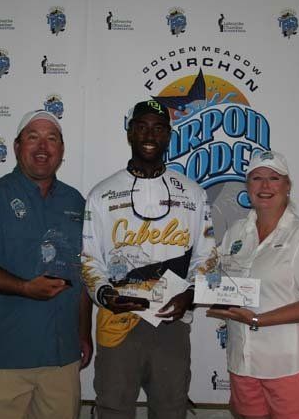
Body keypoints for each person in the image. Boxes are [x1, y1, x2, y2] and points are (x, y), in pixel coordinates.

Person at [81, 100, 217, 419]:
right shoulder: (101, 194)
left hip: (171, 322)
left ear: (169, 136)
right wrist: (104, 294)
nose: (149, 134)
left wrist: (191, 295)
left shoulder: (193, 193)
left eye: (158, 128)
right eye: (141, 126)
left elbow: (207, 257)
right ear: (129, 133)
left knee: (171, 409)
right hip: (118, 323)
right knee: (113, 409)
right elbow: (89, 260)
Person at [0, 109, 92, 419]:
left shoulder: (76, 203)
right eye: (33, 137)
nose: (43, 147)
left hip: (61, 361)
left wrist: (84, 333)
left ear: (61, 150)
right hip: (4, 360)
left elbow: (82, 275)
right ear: (16, 147)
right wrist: (24, 288)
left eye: (51, 139)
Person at [207, 151, 299, 419]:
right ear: (247, 186)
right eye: (256, 178)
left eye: (273, 178)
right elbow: (218, 282)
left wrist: (258, 318)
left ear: (287, 186)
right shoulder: (235, 233)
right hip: (243, 362)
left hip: (289, 365)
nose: (265, 186)